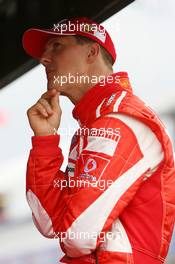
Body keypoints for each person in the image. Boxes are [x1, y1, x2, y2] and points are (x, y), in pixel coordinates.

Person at [22, 17, 175, 264]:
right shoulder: (91, 128)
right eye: (45, 51)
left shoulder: (121, 120)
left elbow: (76, 236)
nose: (44, 59)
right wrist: (45, 141)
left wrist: (67, 222)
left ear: (92, 51)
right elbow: (48, 223)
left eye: (57, 46)